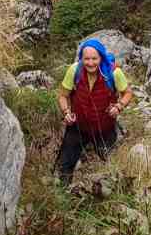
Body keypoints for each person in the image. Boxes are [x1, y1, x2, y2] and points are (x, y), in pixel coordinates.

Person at [55, 37, 133, 179]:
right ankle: (63, 188)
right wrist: (66, 112)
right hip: (78, 126)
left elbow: (127, 93)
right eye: (86, 59)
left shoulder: (114, 72)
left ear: (101, 57)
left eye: (94, 59)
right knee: (64, 167)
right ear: (81, 58)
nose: (90, 63)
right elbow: (62, 95)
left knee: (110, 166)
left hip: (104, 127)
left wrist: (119, 106)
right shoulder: (75, 70)